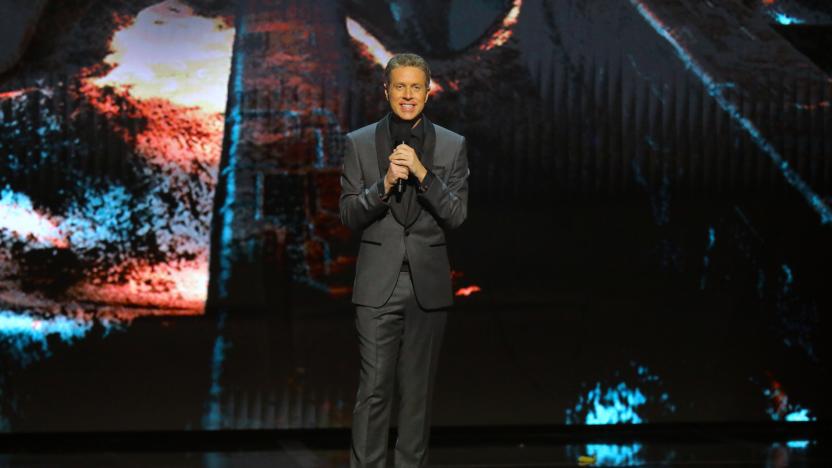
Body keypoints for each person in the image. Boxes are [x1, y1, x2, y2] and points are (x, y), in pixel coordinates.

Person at [339, 52, 469, 468]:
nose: (408, 95)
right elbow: (349, 215)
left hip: (427, 286)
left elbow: (457, 214)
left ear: (427, 92)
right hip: (379, 285)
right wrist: (385, 184)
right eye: (400, 86)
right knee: (374, 389)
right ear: (386, 91)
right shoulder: (358, 143)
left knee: (416, 394)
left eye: (416, 87)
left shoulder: (452, 145)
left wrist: (422, 174)